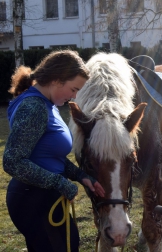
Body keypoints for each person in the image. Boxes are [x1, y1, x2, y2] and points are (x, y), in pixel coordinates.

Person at [2, 50, 105, 252]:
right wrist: (59, 183)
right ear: (57, 80)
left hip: (43, 196)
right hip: (32, 198)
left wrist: (81, 176)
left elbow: (50, 156)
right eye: (73, 89)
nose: (74, 96)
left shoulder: (47, 104)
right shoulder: (35, 108)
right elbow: (12, 160)